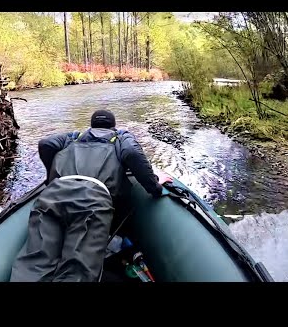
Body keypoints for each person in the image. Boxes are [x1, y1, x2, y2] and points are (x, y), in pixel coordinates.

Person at [9, 109, 173, 282]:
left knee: (35, 261)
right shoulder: (120, 137)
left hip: (53, 195)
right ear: (113, 125)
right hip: (92, 201)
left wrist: (52, 176)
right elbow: (132, 153)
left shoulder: (74, 137)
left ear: (92, 125)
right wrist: (155, 186)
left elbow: (45, 144)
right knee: (78, 269)